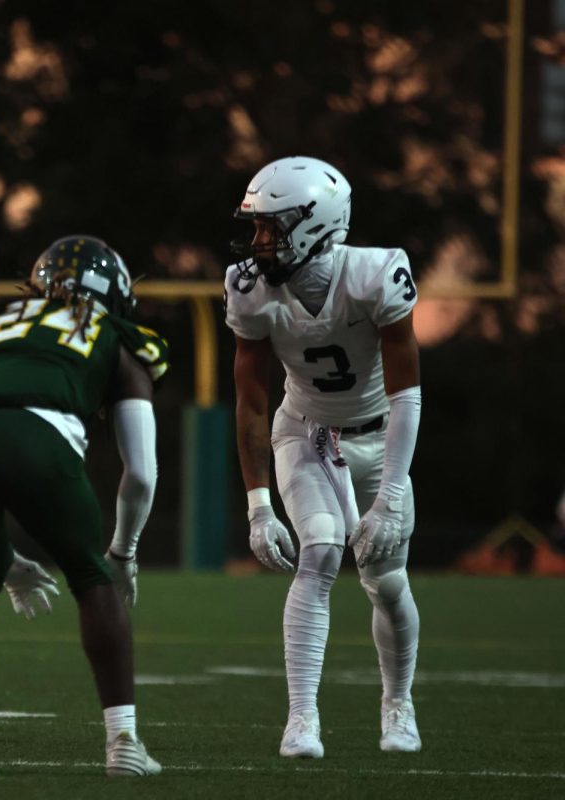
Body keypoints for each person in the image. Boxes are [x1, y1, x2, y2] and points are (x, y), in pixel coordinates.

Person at [0, 235, 170, 777]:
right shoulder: (119, 339)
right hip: (37, 434)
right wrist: (123, 553)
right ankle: (124, 745)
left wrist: (4, 562)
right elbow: (140, 473)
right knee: (90, 578)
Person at [224, 156, 423, 758]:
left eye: (271, 227)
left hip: (379, 438)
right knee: (321, 554)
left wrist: (390, 494)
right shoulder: (249, 289)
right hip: (305, 434)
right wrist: (259, 506)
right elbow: (253, 403)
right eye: (256, 228)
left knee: (387, 583)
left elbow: (406, 392)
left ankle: (398, 703)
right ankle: (302, 719)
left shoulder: (376, 274)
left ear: (315, 224)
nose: (259, 243)